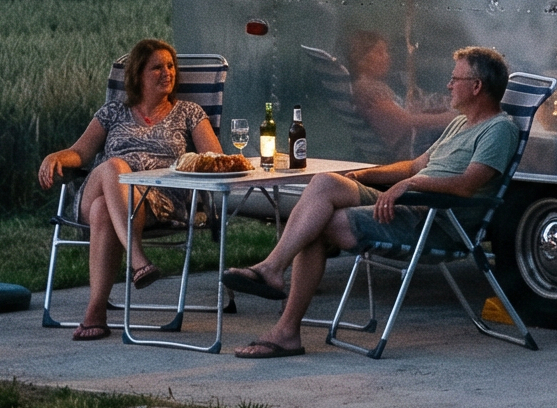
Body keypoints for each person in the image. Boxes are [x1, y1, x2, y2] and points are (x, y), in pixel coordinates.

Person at [222, 46, 518, 359]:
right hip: (411, 202)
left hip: (437, 219)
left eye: (455, 79)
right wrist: (363, 175)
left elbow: (467, 185)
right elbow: (414, 166)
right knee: (325, 183)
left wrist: (411, 185)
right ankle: (271, 269)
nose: (448, 85)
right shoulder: (461, 123)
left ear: (476, 87)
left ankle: (286, 330)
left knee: (320, 225)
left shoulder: (500, 129)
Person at [36, 37, 221, 341]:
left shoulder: (189, 112)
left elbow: (213, 159)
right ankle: (138, 260)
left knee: (103, 210)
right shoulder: (112, 113)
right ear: (137, 75)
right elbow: (80, 154)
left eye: (170, 66)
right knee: (113, 168)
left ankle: (95, 312)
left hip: (157, 199)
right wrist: (55, 156)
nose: (167, 73)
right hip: (100, 186)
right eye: (157, 67)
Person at [345, 28, 453, 160]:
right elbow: (403, 121)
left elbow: (397, 115)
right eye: (379, 52)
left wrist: (431, 112)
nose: (387, 56)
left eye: (386, 51)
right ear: (361, 58)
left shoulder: (370, 86)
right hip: (404, 152)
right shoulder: (368, 91)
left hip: (409, 142)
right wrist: (448, 118)